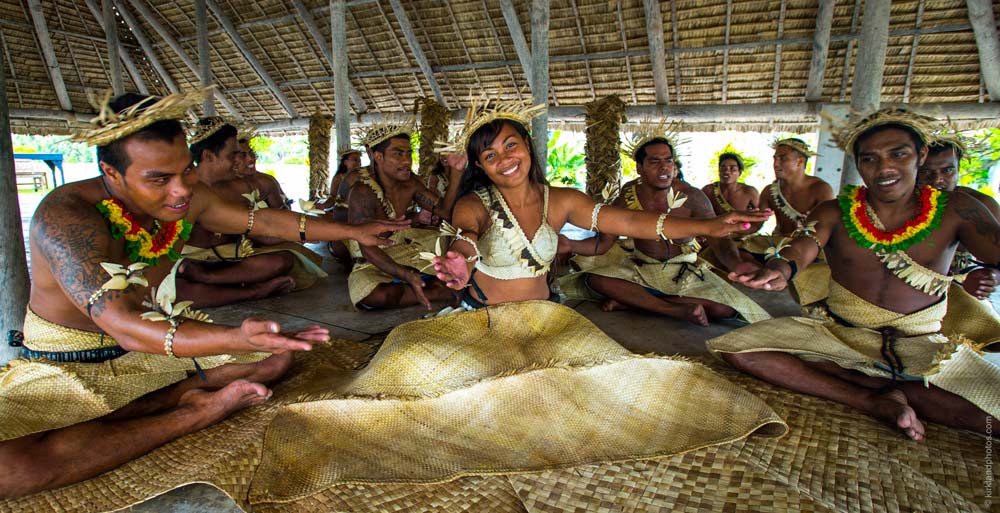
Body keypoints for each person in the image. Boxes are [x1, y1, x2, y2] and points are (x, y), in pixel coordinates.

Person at [0, 90, 407, 498]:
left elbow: (264, 222)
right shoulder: (66, 216)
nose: (180, 191)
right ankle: (193, 411)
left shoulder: (187, 196)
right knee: (9, 469)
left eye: (187, 171)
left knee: (279, 358)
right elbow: (124, 323)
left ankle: (162, 401)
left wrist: (353, 232)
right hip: (67, 366)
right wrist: (235, 338)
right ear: (112, 172)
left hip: (147, 355)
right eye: (159, 179)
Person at [707, 107, 1000, 441]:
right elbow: (803, 246)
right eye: (870, 159)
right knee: (737, 348)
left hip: (920, 343)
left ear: (920, 155)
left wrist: (991, 275)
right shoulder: (835, 211)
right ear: (859, 163)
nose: (884, 168)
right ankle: (870, 398)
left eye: (898, 154)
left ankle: (886, 387)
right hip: (840, 336)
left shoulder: (957, 209)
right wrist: (779, 269)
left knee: (990, 415)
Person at [431, 100, 771, 309]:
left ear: (527, 145)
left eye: (510, 145)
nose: (504, 159)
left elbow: (632, 223)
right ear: (480, 166)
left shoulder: (562, 200)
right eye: (490, 155)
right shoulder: (475, 204)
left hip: (545, 314)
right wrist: (461, 260)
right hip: (487, 318)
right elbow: (465, 237)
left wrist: (709, 226)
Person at [557, 132, 770, 326]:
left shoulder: (692, 197)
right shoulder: (627, 196)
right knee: (594, 280)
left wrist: (736, 263)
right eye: (654, 161)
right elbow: (604, 243)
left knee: (726, 309)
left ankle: (637, 302)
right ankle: (671, 309)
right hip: (640, 270)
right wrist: (570, 244)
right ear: (639, 168)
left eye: (668, 160)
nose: (664, 167)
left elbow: (720, 239)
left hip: (684, 273)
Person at [175, 118, 327, 308]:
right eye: (233, 155)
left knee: (282, 260)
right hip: (188, 262)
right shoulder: (181, 189)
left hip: (232, 259)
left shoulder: (237, 188)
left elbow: (259, 229)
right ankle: (252, 290)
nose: (238, 160)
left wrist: (296, 233)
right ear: (208, 156)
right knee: (180, 290)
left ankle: (211, 279)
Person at [346, 120, 459, 310]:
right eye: (398, 154)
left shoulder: (411, 183)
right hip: (373, 261)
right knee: (375, 296)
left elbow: (446, 212)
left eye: (409, 154)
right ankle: (437, 290)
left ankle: (423, 285)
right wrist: (405, 274)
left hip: (406, 252)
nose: (407, 161)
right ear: (378, 156)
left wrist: (456, 171)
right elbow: (367, 249)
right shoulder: (362, 192)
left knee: (449, 237)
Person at [918, 135, 999, 300]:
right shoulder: (898, 206)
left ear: (958, 168)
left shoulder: (981, 205)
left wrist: (989, 278)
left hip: (963, 294)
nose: (937, 180)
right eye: (926, 171)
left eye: (947, 170)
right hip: (911, 296)